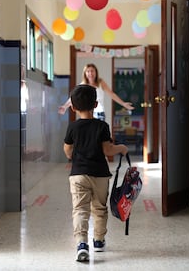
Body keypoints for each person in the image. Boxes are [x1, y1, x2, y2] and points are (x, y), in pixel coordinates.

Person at [63, 84, 128, 262]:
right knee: (99, 208)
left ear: (73, 107)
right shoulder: (102, 126)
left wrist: (75, 153)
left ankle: (82, 243)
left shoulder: (72, 127)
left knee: (80, 210)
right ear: (96, 104)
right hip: (100, 174)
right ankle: (98, 241)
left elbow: (68, 151)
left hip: (78, 175)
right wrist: (121, 148)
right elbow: (108, 150)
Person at [58, 63, 135, 121]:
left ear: (96, 72)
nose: (90, 73)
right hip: (87, 113)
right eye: (88, 71)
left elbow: (111, 94)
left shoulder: (100, 82)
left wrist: (123, 104)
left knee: (99, 137)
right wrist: (65, 106)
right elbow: (74, 98)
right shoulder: (83, 85)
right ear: (85, 73)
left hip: (100, 113)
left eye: (92, 71)